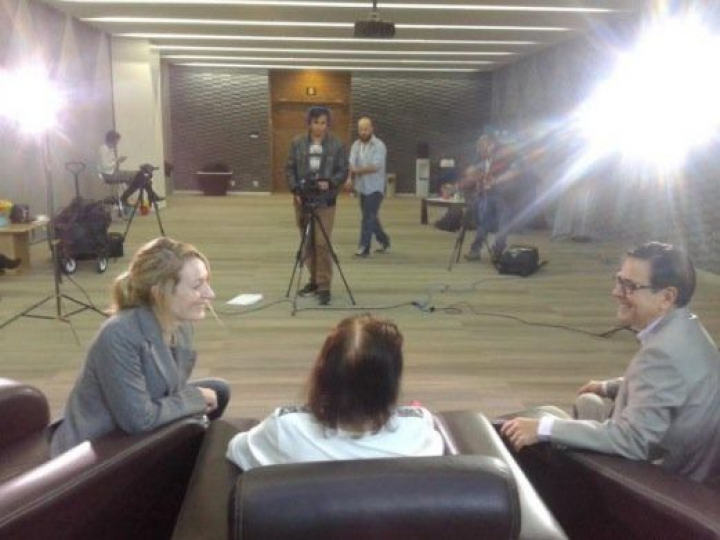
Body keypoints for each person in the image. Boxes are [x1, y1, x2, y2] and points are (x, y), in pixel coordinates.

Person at [500, 242, 720, 483]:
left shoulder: (663, 355)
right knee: (588, 401)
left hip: (656, 478)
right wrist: (609, 387)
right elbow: (673, 386)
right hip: (679, 452)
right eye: (619, 280)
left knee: (536, 436)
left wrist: (544, 428)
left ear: (667, 297)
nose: (616, 292)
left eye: (630, 286)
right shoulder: (688, 329)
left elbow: (633, 440)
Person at [50, 237, 230, 457]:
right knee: (206, 400)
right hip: (100, 447)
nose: (210, 294)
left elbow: (170, 389)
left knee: (219, 391)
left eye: (206, 282)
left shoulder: (179, 323)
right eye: (197, 286)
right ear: (160, 293)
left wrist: (192, 400)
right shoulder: (118, 335)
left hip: (137, 419)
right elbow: (138, 420)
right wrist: (193, 399)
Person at [226, 314, 444, 470]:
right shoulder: (419, 429)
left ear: (324, 373)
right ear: (391, 382)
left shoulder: (285, 428)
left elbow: (235, 451)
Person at [286, 106, 348, 306]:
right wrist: (296, 190)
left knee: (322, 242)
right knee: (308, 243)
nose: (320, 127)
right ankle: (313, 280)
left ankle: (324, 285)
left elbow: (343, 170)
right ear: (309, 123)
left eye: (323, 123)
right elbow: (289, 168)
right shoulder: (297, 143)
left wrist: (330, 182)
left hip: (326, 201)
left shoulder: (337, 144)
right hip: (303, 201)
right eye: (316, 123)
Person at [461, 134, 523, 262]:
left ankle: (498, 251)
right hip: (489, 194)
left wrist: (496, 181)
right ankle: (475, 250)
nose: (479, 150)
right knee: (483, 223)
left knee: (503, 224)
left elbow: (515, 172)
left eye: (482, 146)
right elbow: (476, 174)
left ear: (492, 145)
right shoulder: (483, 160)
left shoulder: (505, 156)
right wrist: (477, 180)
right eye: (478, 147)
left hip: (506, 196)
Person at [345, 116, 391, 257]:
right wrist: (349, 178)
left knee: (367, 217)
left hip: (375, 188)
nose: (363, 132)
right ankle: (384, 240)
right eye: (361, 129)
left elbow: (375, 167)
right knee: (370, 217)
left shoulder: (379, 146)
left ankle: (364, 248)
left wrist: (356, 171)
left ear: (371, 129)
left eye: (366, 129)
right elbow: (351, 163)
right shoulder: (356, 145)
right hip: (362, 187)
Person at [97, 130, 164, 211]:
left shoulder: (109, 149)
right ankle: (150, 196)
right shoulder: (103, 149)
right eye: (116, 142)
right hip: (108, 175)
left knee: (140, 179)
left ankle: (149, 196)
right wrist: (117, 161)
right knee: (140, 176)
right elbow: (105, 166)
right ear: (112, 140)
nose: (116, 144)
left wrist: (117, 160)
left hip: (112, 173)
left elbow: (110, 163)